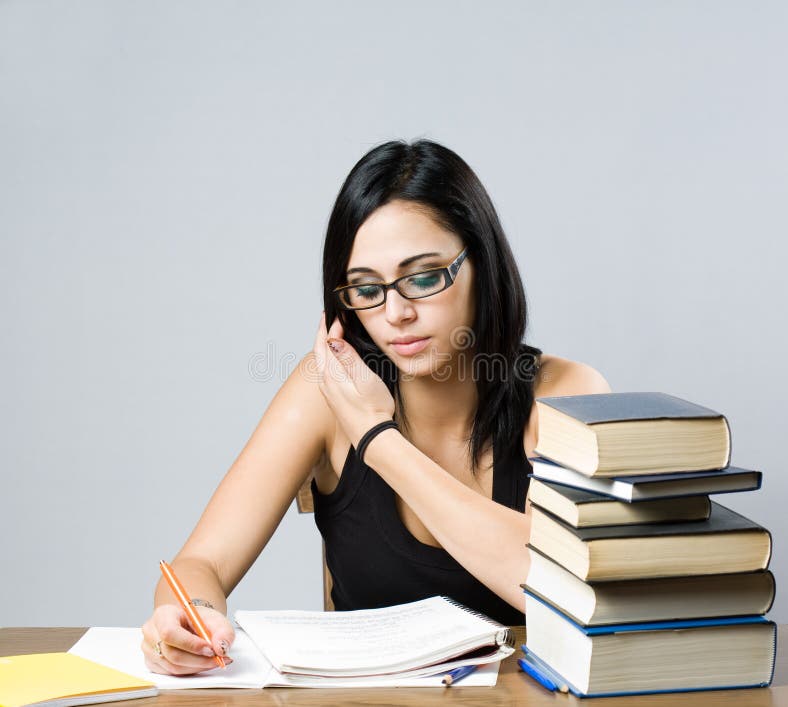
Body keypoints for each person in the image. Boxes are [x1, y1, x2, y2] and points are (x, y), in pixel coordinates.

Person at [140, 138, 611, 676]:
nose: (395, 313)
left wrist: (377, 437)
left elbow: (566, 594)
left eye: (424, 278)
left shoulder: (564, 394)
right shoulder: (326, 389)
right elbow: (201, 562)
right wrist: (190, 618)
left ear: (481, 262)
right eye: (366, 289)